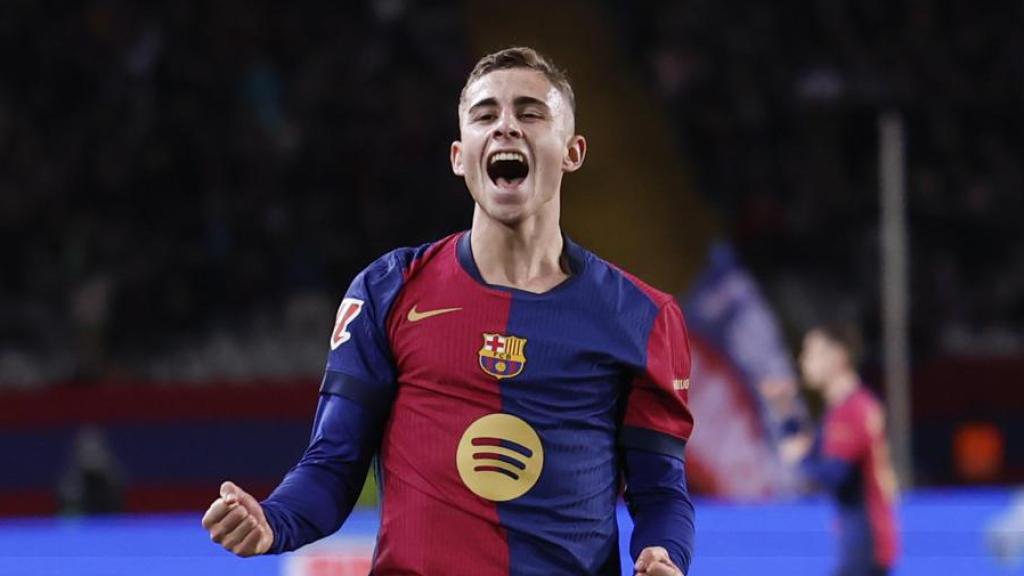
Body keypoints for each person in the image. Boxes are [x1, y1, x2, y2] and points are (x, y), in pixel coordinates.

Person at [201, 46, 695, 576]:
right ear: (460, 156)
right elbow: (332, 465)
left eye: (530, 113)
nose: (506, 126)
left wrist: (665, 556)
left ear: (572, 151)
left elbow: (661, 492)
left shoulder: (643, 317)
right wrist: (273, 521)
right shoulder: (388, 290)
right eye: (486, 115)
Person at [781, 323, 900, 576]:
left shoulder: (851, 410)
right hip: (860, 535)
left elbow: (834, 473)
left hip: (865, 539)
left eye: (812, 352)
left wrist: (801, 460)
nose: (804, 361)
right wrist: (787, 414)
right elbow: (810, 451)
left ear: (838, 356)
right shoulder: (845, 408)